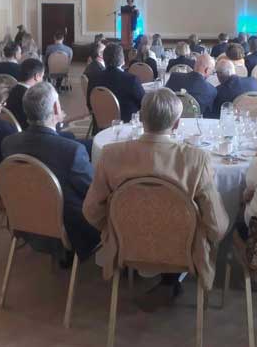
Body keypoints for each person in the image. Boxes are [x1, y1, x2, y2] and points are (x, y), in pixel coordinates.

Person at [83, 88, 229, 308]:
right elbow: (217, 225)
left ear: (141, 118)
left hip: (126, 244)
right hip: (183, 249)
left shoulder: (111, 154)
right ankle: (172, 283)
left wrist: (116, 227)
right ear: (177, 124)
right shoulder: (196, 159)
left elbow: (91, 210)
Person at [3, 82, 100, 261]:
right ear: (56, 108)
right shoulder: (72, 151)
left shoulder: (9, 143)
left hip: (24, 220)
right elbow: (94, 193)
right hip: (68, 229)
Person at [86, 44, 144, 123]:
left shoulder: (93, 78)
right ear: (123, 61)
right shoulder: (131, 80)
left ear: (104, 60)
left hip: (101, 123)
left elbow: (90, 105)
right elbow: (144, 103)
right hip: (126, 124)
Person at [5, 58, 45, 130]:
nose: (42, 80)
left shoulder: (11, 90)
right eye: (42, 76)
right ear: (36, 77)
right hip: (29, 132)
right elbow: (40, 124)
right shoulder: (32, 97)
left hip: (12, 129)